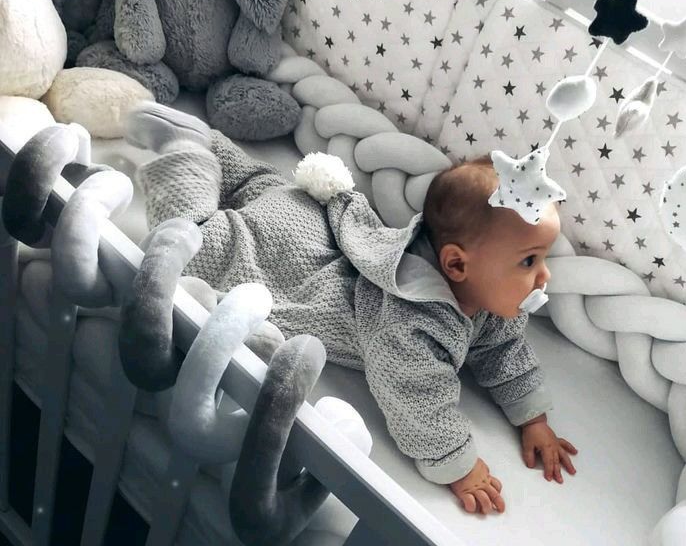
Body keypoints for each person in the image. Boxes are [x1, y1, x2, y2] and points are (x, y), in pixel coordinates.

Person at [126, 102, 577, 516]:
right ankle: (185, 151)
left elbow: (503, 353)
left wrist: (532, 419)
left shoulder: (488, 303)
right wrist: (456, 463)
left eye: (541, 258)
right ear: (456, 263)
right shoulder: (412, 323)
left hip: (314, 217)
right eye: (528, 261)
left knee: (263, 187)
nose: (544, 276)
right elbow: (415, 398)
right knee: (206, 246)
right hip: (293, 255)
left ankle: (213, 142)